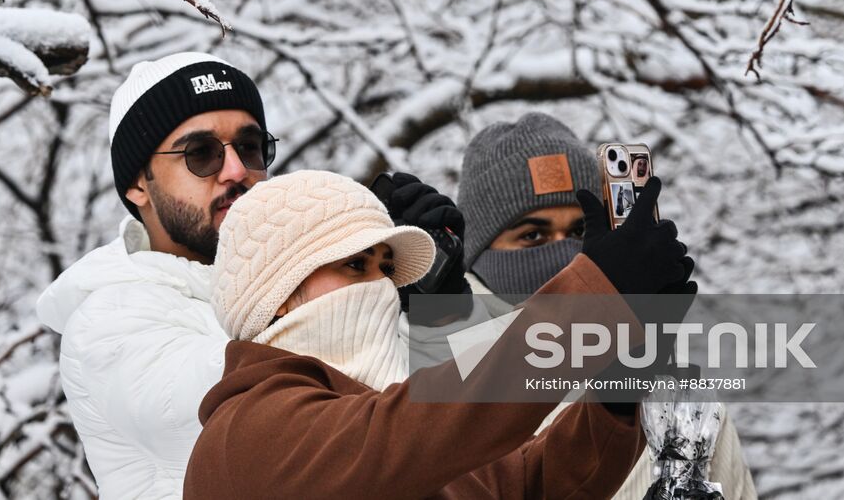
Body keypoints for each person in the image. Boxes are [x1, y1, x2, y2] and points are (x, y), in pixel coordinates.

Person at [35, 52, 464, 499]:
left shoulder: (312, 285)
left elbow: (494, 413)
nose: (237, 171)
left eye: (250, 147)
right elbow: (261, 409)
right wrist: (346, 273)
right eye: (200, 154)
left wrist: (441, 304)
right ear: (137, 184)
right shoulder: (109, 318)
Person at [183, 168, 696, 500]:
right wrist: (595, 296)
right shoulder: (247, 433)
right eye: (356, 265)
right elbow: (431, 420)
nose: (383, 289)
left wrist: (622, 372)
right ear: (277, 293)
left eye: (387, 268)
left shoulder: (384, 434)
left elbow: (532, 485)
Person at [457, 112, 758, 500]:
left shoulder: (676, 392)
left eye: (582, 231)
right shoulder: (442, 372)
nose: (565, 253)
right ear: (479, 253)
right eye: (534, 235)